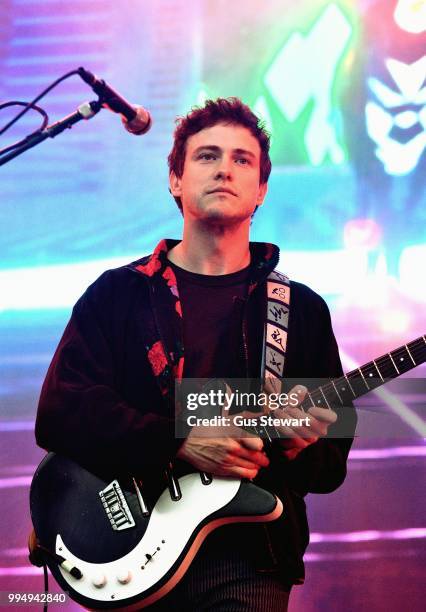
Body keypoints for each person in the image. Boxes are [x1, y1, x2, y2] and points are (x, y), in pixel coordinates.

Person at [35, 98, 357, 611]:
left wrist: (302, 449)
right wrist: (177, 440)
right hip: (127, 548)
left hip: (250, 557)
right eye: (207, 156)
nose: (225, 168)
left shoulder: (303, 310)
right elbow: (60, 413)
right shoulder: (118, 294)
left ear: (262, 191)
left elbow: (329, 467)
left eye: (242, 159)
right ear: (176, 180)